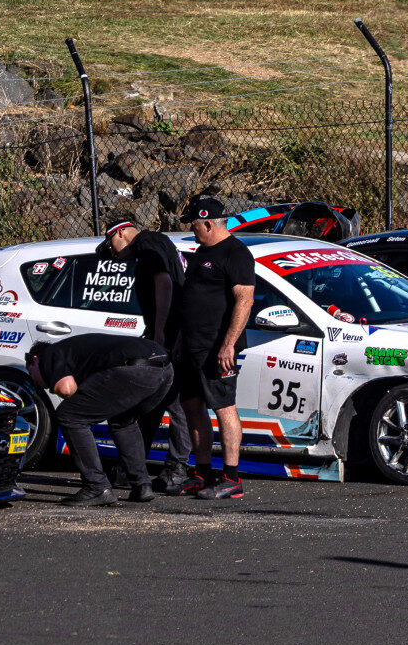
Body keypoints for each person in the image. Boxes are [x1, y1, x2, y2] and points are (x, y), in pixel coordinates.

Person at [94, 221, 197, 494]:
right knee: (152, 400)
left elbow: (164, 283)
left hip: (171, 335)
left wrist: (161, 331)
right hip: (169, 332)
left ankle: (177, 467)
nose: (114, 254)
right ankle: (133, 468)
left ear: (120, 232)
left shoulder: (147, 245)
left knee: (174, 402)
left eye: (111, 246)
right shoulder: (157, 242)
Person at [169, 197, 255, 501]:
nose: (192, 231)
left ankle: (231, 477)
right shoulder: (201, 252)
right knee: (192, 406)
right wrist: (181, 338)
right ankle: (202, 473)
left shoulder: (236, 253)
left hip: (216, 348)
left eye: (193, 225)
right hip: (192, 347)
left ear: (208, 223)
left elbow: (244, 300)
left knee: (223, 407)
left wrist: (228, 344)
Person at [29, 332, 175, 507]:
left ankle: (96, 486)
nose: (35, 382)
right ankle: (142, 485)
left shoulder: (51, 354)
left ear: (35, 359)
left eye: (31, 373)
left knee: (69, 416)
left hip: (135, 370)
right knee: (123, 421)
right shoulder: (77, 351)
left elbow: (66, 389)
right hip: (164, 369)